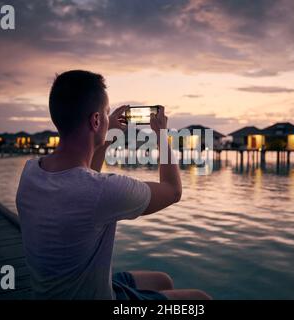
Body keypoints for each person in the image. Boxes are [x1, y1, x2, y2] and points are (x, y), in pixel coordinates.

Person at [16, 70, 211, 300]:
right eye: (106, 114)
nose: (109, 119)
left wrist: (106, 137)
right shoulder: (103, 191)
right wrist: (162, 136)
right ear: (96, 120)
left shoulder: (31, 171)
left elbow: (84, 179)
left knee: (162, 280)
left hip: (65, 287)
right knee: (201, 299)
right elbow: (173, 190)